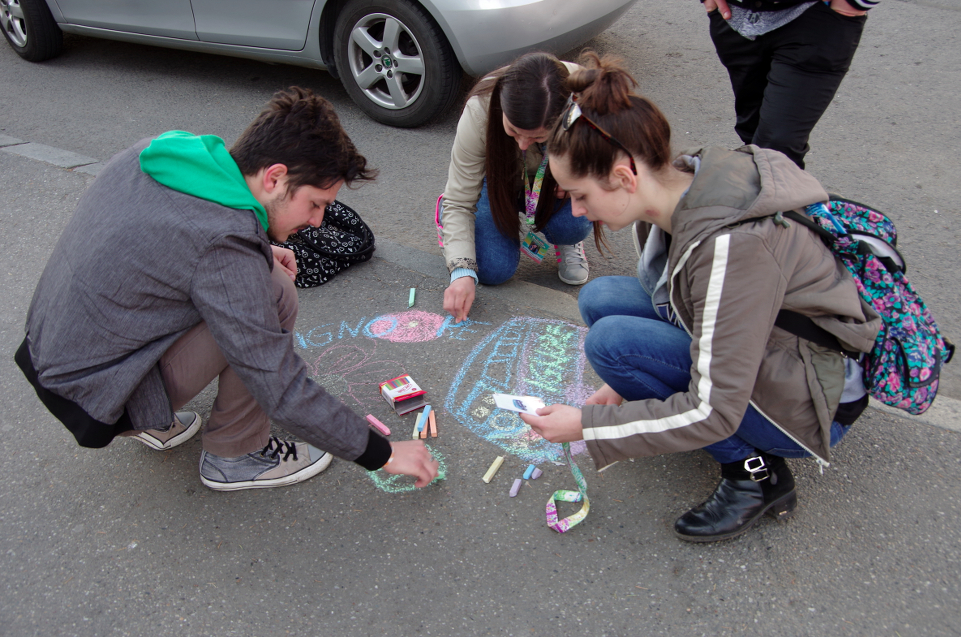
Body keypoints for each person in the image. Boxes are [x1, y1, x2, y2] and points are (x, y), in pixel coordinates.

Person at [520, 55, 881, 542]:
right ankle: (698, 420)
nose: (579, 212)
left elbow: (715, 410)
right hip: (776, 347)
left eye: (580, 195)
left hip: (810, 399)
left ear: (625, 177)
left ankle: (755, 476)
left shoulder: (731, 249)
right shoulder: (681, 179)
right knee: (601, 298)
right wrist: (624, 389)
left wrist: (590, 425)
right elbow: (686, 294)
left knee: (612, 344)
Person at [15, 87, 439, 492]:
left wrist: (259, 249)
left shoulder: (168, 153)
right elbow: (278, 384)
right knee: (275, 294)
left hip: (51, 353)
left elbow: (165, 244)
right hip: (97, 399)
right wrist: (381, 452)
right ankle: (236, 456)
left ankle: (156, 419)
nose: (317, 221)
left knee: (258, 274)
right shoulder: (223, 243)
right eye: (315, 203)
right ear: (274, 177)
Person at [439, 52, 594, 324]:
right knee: (492, 269)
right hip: (498, 182)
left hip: (550, 185)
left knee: (573, 224)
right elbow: (459, 201)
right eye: (513, 130)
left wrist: (579, 180)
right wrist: (461, 271)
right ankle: (448, 226)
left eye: (537, 137)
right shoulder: (479, 110)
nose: (522, 143)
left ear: (565, 115)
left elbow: (610, 163)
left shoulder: (588, 98)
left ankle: (567, 240)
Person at [703, 0, 875, 168]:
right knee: (752, 133)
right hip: (736, 18)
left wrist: (854, 3)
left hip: (815, 19)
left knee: (777, 146)